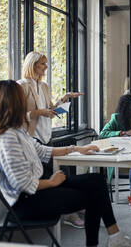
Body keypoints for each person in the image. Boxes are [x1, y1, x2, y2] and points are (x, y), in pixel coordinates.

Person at [0, 80, 131, 247]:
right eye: (22, 98)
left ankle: (114, 238)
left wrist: (78, 149)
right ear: (14, 102)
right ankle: (108, 241)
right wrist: (51, 182)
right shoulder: (7, 138)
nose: (25, 102)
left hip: (37, 189)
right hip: (27, 202)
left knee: (96, 181)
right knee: (94, 195)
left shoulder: (15, 131)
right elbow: (21, 183)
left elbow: (42, 150)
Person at [17, 51, 85, 228]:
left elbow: (51, 110)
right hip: (32, 138)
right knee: (45, 177)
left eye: (46, 64)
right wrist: (40, 112)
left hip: (47, 136)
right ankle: (65, 213)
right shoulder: (21, 86)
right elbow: (18, 115)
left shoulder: (45, 86)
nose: (46, 67)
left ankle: (67, 210)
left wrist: (65, 99)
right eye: (42, 64)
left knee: (55, 174)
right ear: (32, 65)